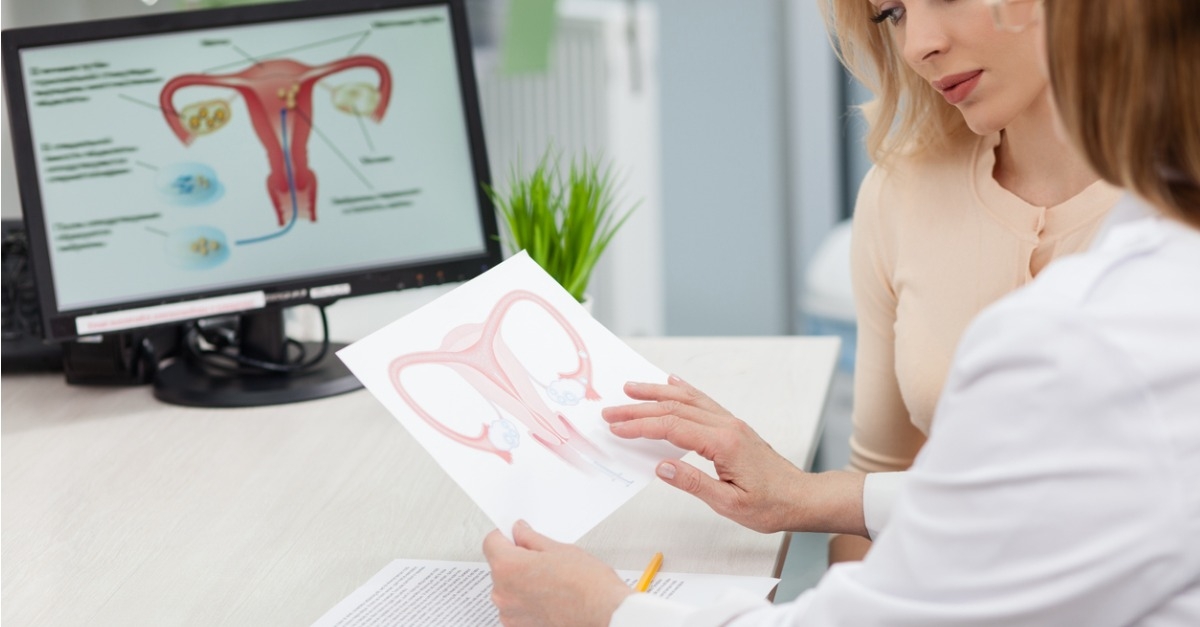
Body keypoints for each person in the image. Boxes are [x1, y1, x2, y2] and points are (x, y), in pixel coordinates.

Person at [482, 0, 1200, 624]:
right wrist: (809, 496)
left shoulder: (1081, 333)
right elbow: (1043, 506)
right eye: (891, 14)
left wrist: (607, 612)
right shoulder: (914, 196)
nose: (918, 45)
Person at [829, 0, 1123, 562]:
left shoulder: (1172, 207)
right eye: (892, 13)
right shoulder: (901, 191)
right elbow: (872, 486)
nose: (918, 46)